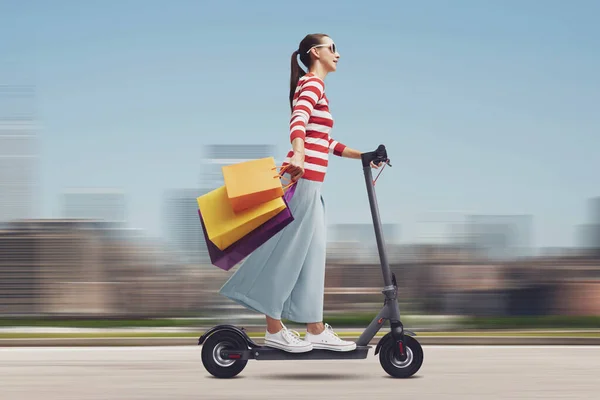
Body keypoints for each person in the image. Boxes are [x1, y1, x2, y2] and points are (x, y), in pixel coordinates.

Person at [218, 33, 383, 353]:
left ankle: (315, 328)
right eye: (332, 48)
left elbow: (326, 141)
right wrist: (297, 151)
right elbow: (299, 120)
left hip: (314, 185)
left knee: (312, 255)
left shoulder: (318, 89)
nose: (338, 54)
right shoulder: (311, 84)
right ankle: (274, 328)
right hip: (303, 181)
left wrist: (363, 155)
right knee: (287, 252)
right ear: (315, 52)